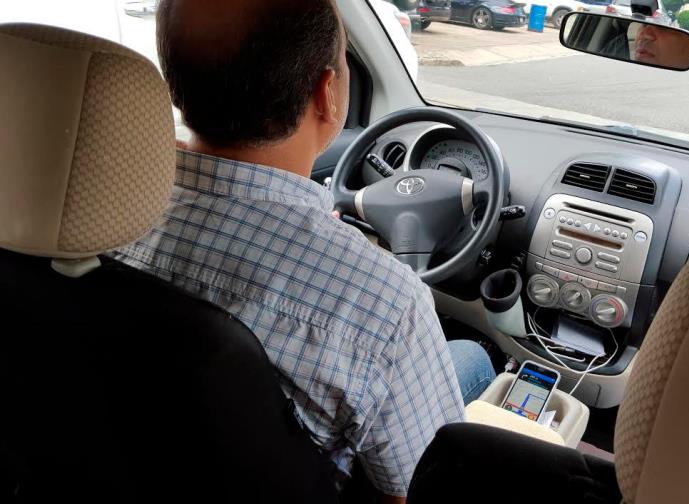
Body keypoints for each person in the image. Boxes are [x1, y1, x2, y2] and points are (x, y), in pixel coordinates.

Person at [113, 0, 495, 502]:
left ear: (175, 82)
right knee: (473, 357)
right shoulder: (386, 302)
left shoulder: (97, 223)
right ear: (328, 93)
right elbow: (417, 493)